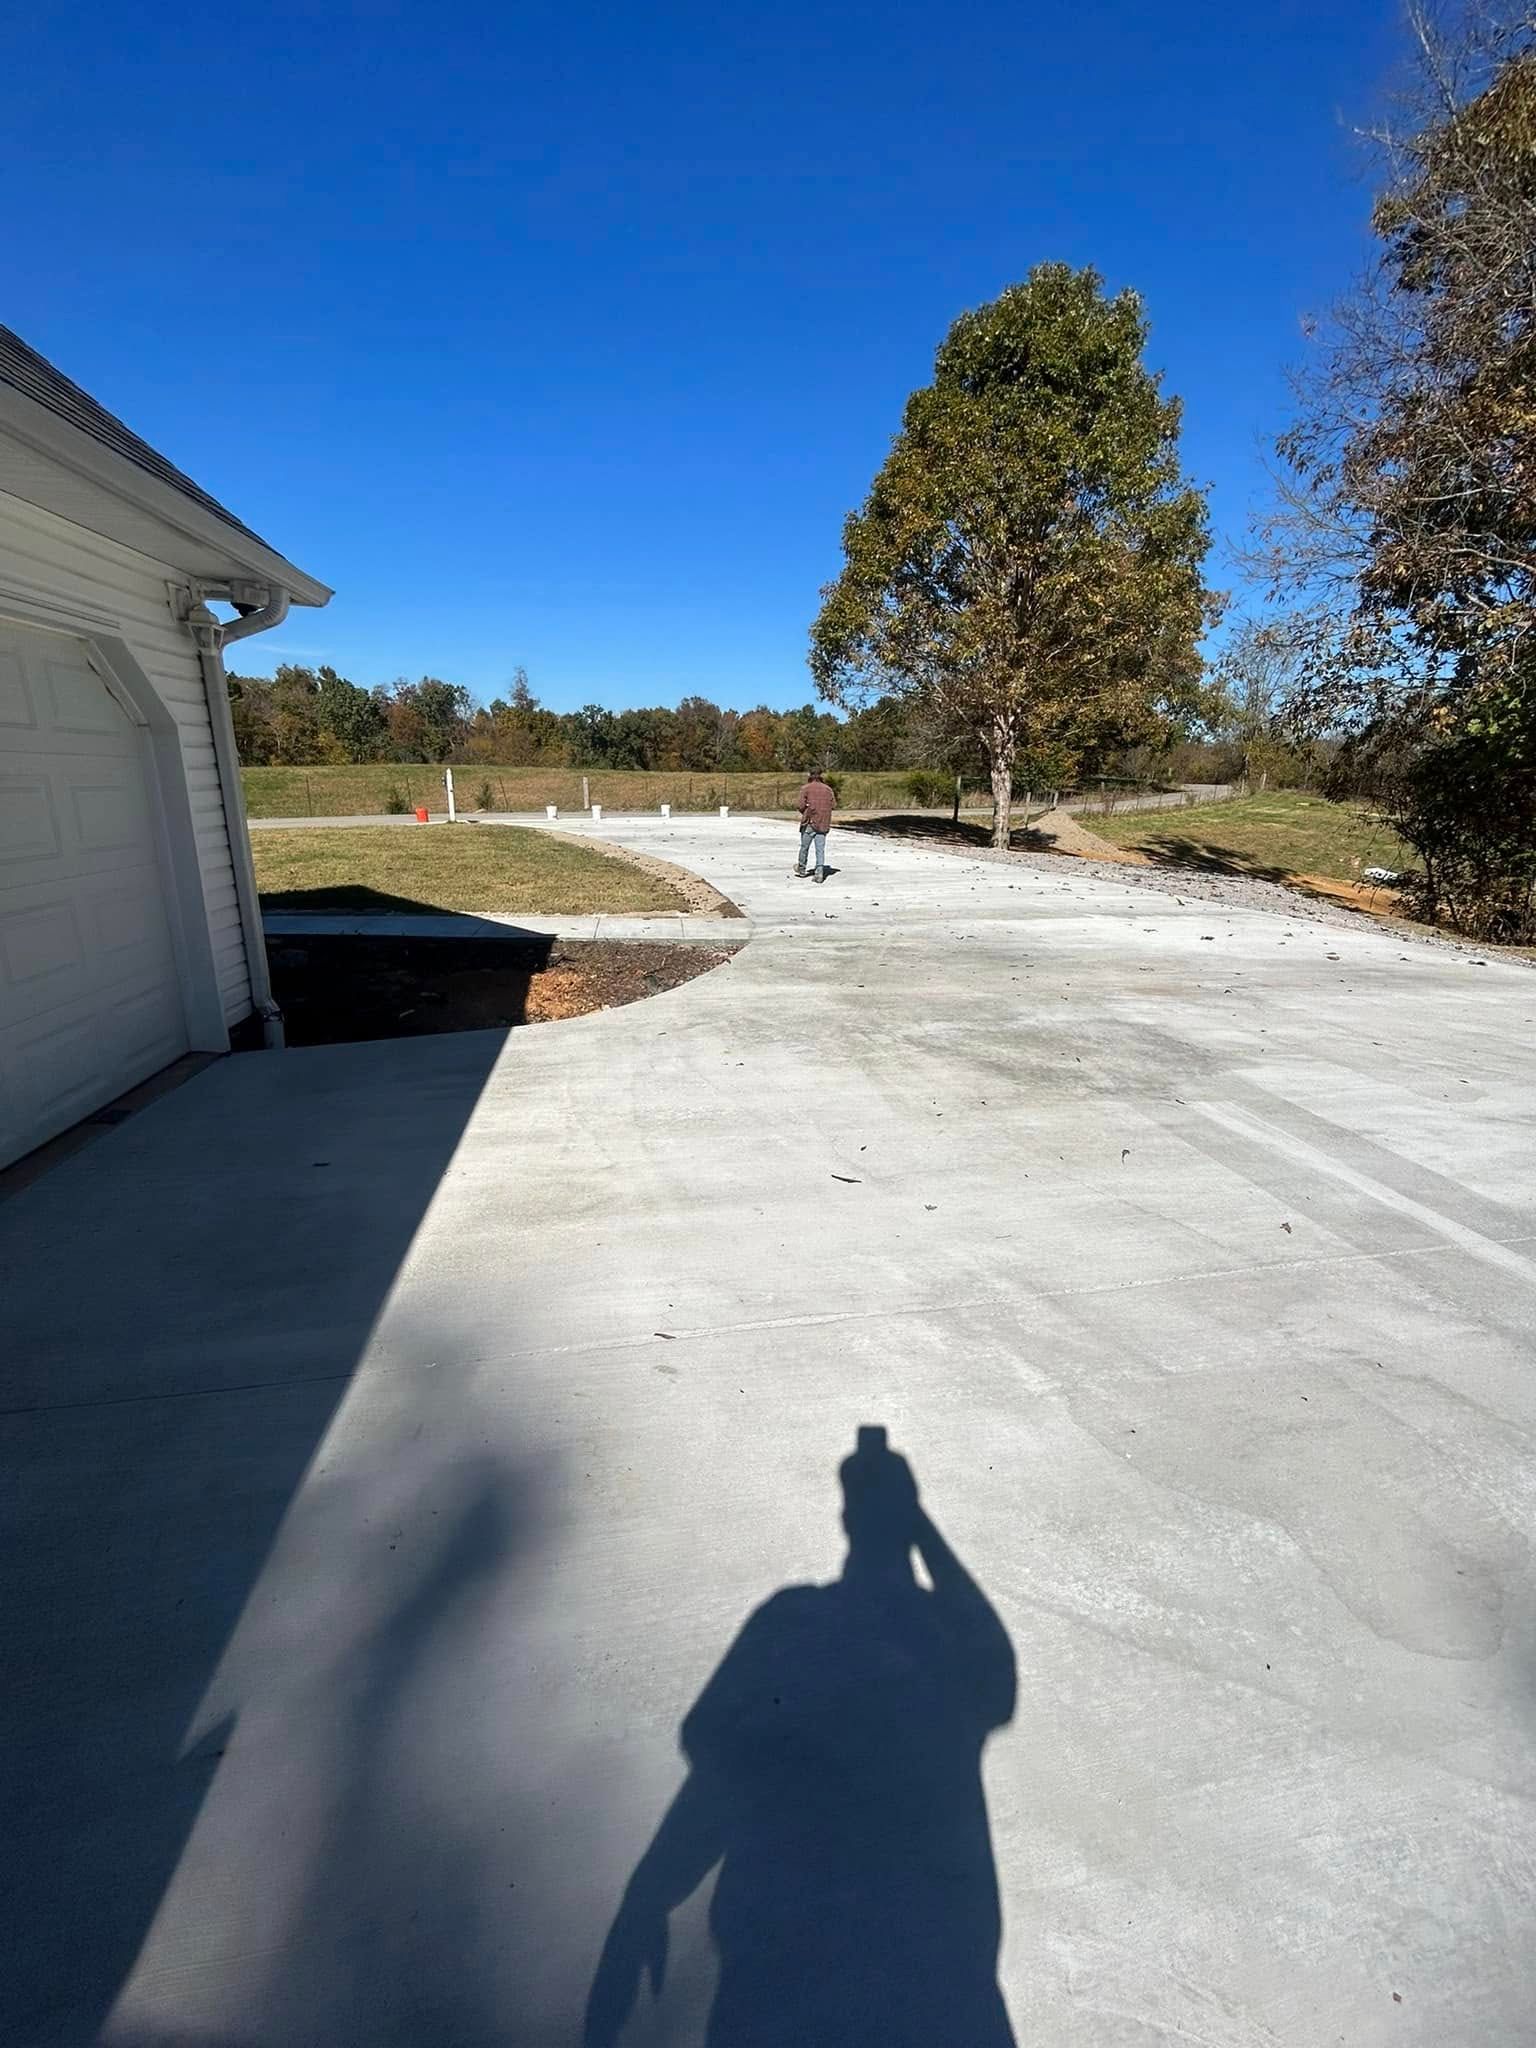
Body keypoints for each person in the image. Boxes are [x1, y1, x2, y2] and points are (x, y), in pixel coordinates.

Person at [584, 1428, 1017, 2048]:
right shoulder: (950, 1639)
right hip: (939, 1984)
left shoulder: (791, 1621)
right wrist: (917, 1526)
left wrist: (649, 1895)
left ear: (844, 1519)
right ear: (909, 1522)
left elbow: (714, 1770)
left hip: (788, 1975)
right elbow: (996, 1654)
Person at [795, 769, 835, 882]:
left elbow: (800, 805)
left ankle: (801, 869)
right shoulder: (828, 789)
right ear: (821, 776)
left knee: (804, 847)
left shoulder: (805, 788)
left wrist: (806, 811)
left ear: (810, 776)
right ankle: (819, 873)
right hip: (823, 823)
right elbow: (833, 805)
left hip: (810, 822)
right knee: (820, 849)